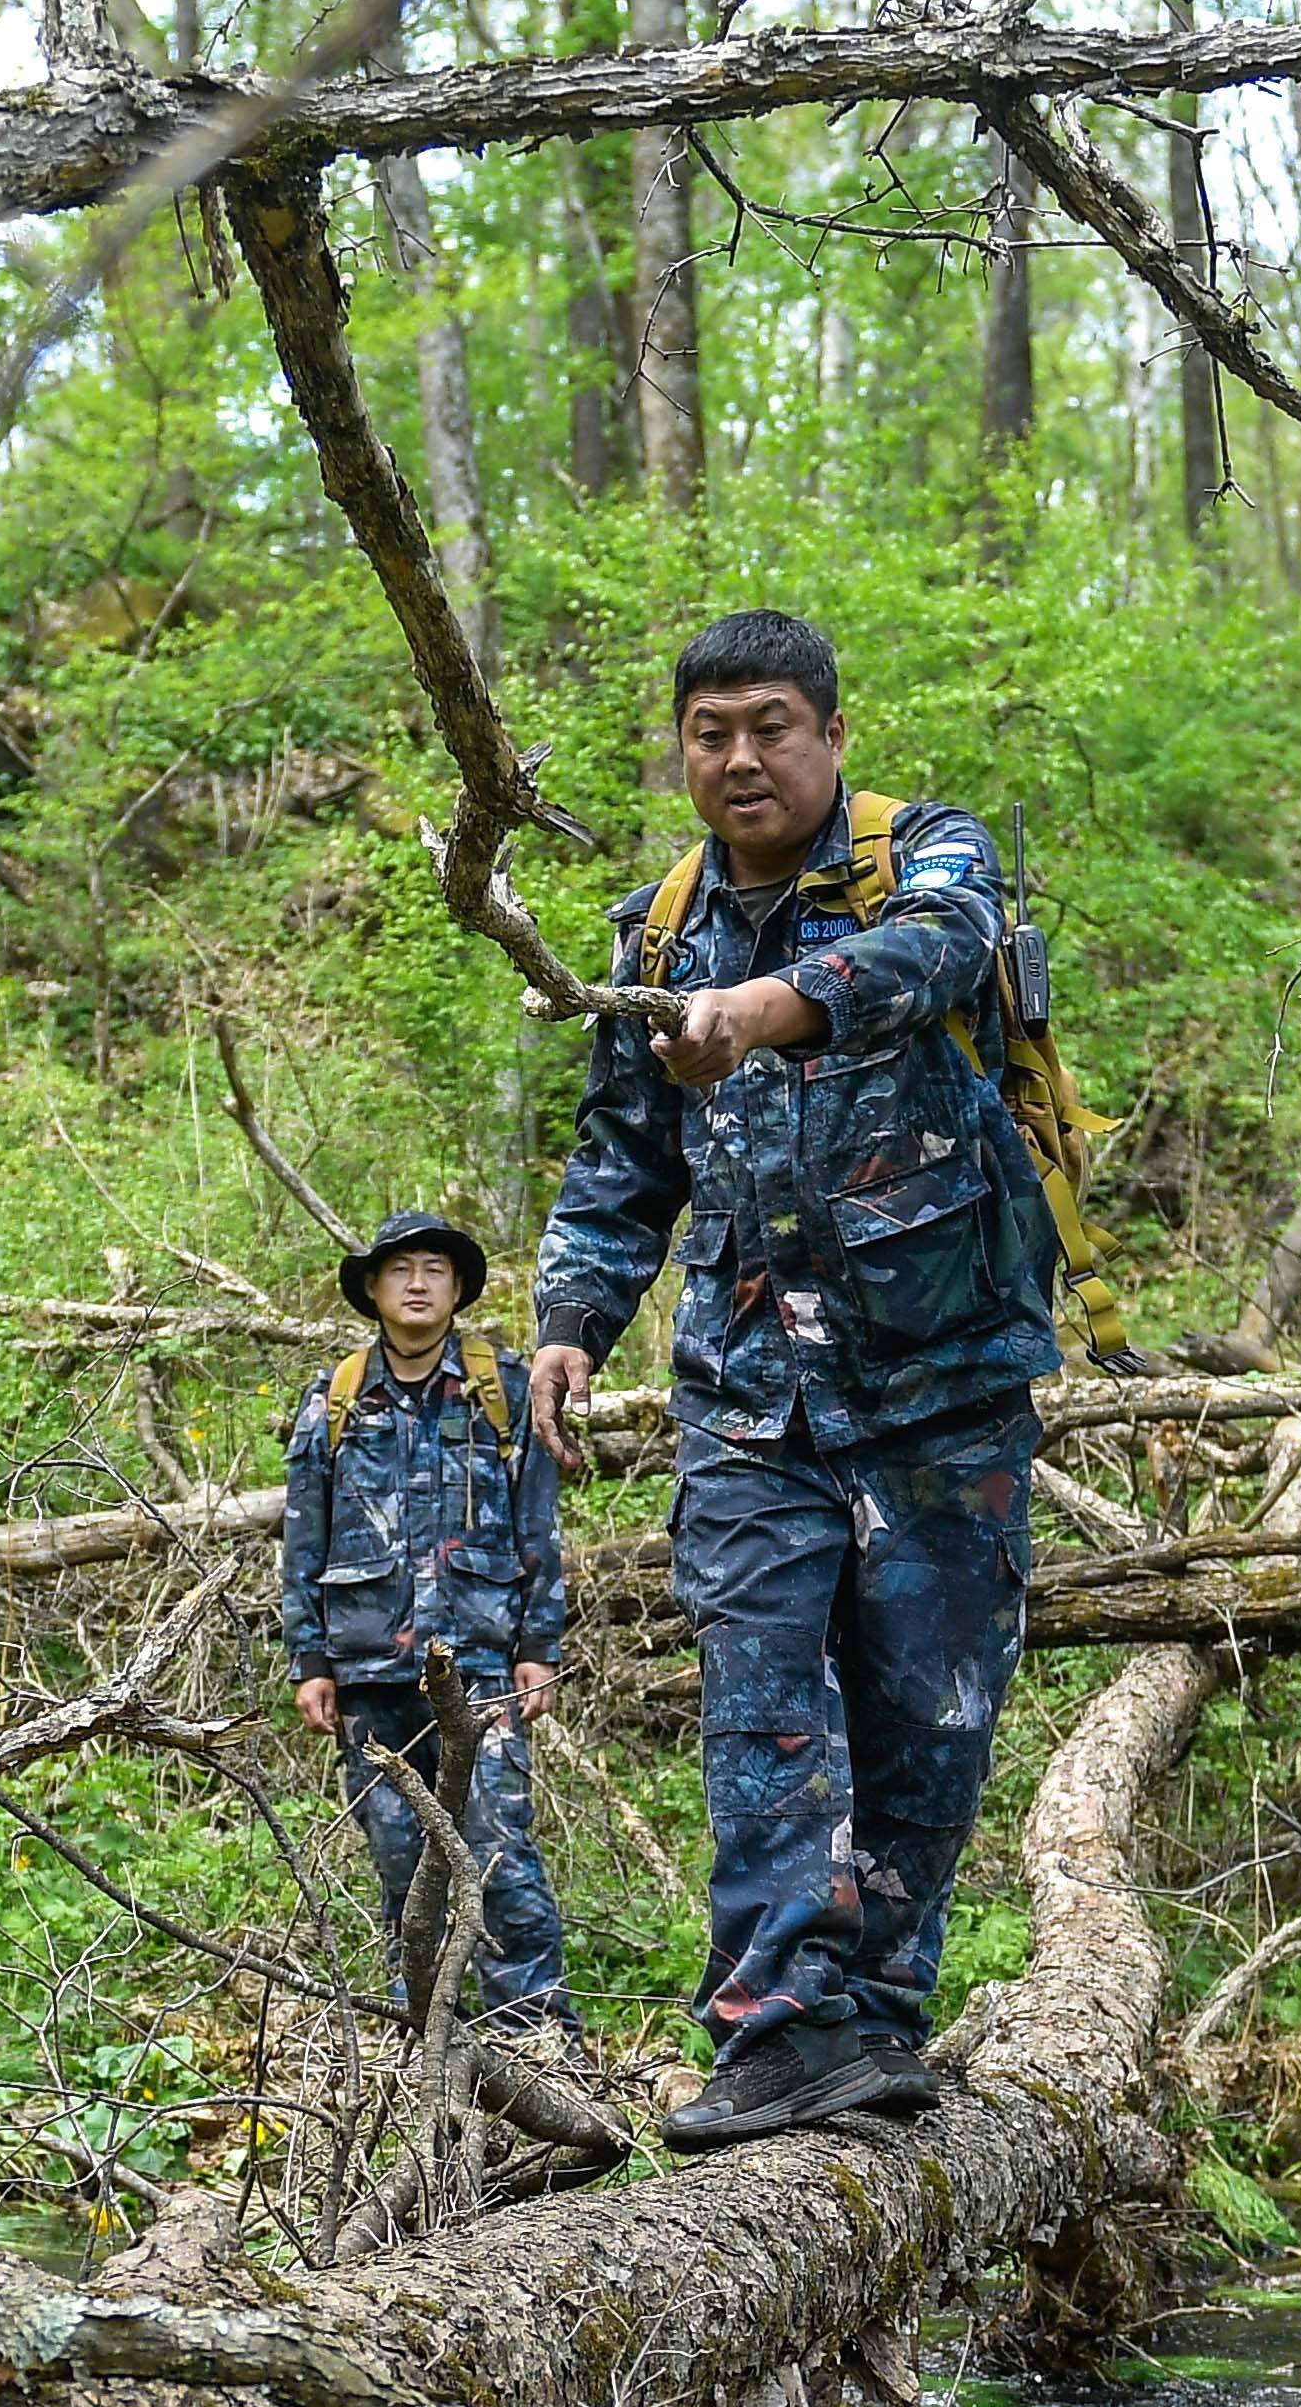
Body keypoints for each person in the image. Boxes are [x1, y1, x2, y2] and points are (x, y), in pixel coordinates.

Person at [526, 609, 1056, 2150]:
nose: (740, 757)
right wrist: (573, 1317)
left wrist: (763, 1013)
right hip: (749, 1398)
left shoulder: (927, 860)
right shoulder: (652, 931)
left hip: (944, 1386)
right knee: (763, 1699)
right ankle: (769, 2028)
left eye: (770, 726)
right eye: (710, 732)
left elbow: (934, 956)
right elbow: (621, 1159)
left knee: (929, 1715)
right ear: (681, 751)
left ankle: (872, 2024)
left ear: (828, 736)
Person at [285, 1209, 577, 2033]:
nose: (417, 1284)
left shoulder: (503, 1389)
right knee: (403, 1869)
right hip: (372, 1673)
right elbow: (303, 1535)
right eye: (401, 1270)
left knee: (501, 1858)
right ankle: (429, 2057)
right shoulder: (334, 1398)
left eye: (434, 1271)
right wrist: (310, 1659)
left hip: (480, 1666)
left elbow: (538, 1527)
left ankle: (541, 2049)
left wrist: (538, 1646)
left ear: (456, 1289)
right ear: (373, 1288)